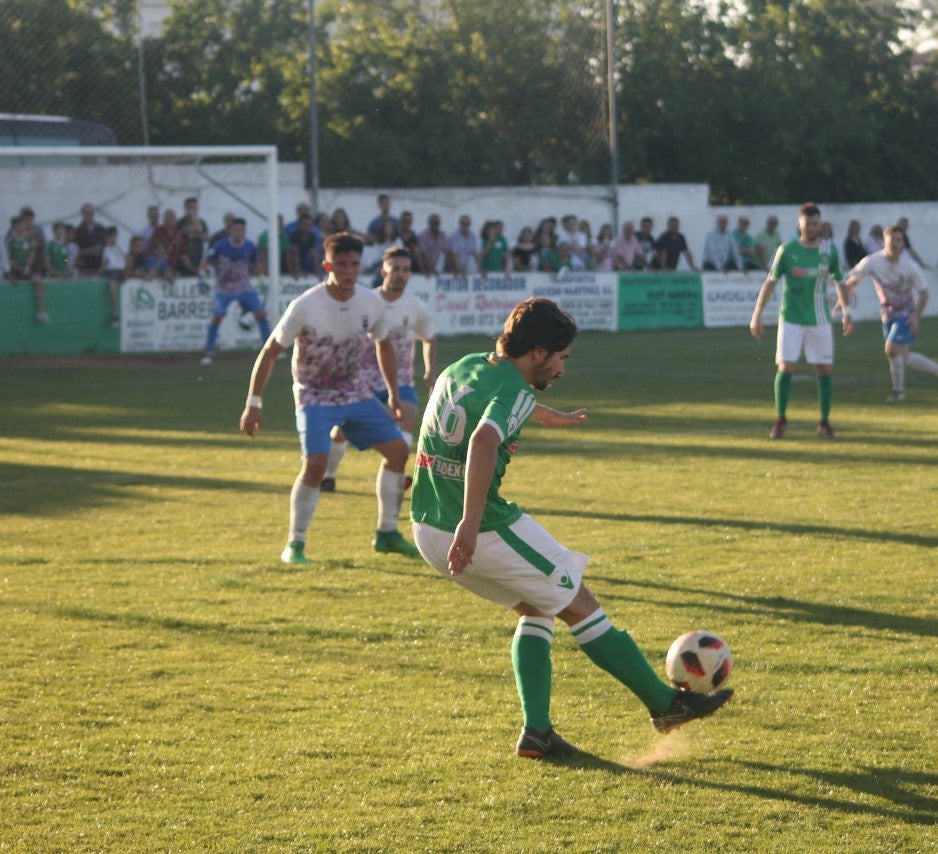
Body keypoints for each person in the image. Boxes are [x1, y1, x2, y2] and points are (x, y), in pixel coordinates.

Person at [410, 297, 734, 759]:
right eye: (560, 357)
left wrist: (547, 415)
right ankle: (667, 706)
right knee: (579, 601)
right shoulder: (516, 391)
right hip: (476, 529)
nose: (562, 368)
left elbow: (485, 409)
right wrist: (468, 524)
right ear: (538, 351)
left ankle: (537, 734)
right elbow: (483, 438)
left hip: (426, 526)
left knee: (538, 609)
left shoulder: (464, 366)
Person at [239, 231, 421, 562]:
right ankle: (295, 544)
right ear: (327, 265)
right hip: (314, 396)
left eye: (354, 263)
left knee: (397, 451)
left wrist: (393, 394)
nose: (349, 270)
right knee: (316, 465)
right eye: (341, 264)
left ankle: (387, 533)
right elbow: (270, 351)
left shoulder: (370, 302)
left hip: (354, 392)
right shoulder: (305, 306)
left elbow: (382, 345)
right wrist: (254, 403)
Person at [321, 246, 437, 491]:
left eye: (406, 270)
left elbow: (428, 338)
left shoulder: (416, 307)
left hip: (401, 381)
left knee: (407, 419)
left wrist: (429, 370)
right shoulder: (366, 303)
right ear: (384, 271)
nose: (401, 274)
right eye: (395, 269)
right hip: (362, 380)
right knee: (339, 433)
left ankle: (397, 476)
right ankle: (328, 475)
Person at [748, 202, 847, 440]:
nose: (812, 227)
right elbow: (770, 283)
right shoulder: (787, 250)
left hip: (819, 318)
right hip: (791, 317)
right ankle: (780, 419)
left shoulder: (829, 251)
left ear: (820, 225)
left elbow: (839, 281)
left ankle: (824, 421)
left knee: (824, 369)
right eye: (807, 224)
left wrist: (847, 312)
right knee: (786, 366)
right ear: (799, 224)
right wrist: (757, 314)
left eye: (815, 224)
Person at [843, 226, 938, 403]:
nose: (896, 244)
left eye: (900, 240)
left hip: (906, 314)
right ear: (884, 242)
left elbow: (924, 292)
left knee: (891, 349)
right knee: (901, 356)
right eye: (892, 240)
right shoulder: (872, 261)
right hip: (888, 315)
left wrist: (916, 315)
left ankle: (898, 392)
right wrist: (843, 300)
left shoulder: (909, 266)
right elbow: (852, 281)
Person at [198, 217, 269, 365]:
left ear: (245, 231)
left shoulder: (249, 246)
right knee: (217, 316)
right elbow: (207, 259)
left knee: (260, 313)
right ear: (231, 231)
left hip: (244, 287)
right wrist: (203, 273)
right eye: (236, 229)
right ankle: (209, 351)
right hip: (224, 288)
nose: (239, 232)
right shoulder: (221, 245)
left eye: (241, 229)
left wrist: (262, 277)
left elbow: (256, 262)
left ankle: (269, 349)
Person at [3, 214, 49, 324]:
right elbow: (7, 257)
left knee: (39, 281)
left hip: (26, 269)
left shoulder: (29, 238)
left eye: (23, 225)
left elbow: (33, 253)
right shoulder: (10, 240)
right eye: (19, 225)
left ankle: (41, 311)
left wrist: (28, 266)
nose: (22, 227)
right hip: (14, 270)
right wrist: (18, 267)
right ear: (14, 227)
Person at [285, 203, 323, 277]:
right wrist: (299, 270)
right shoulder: (295, 235)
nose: (307, 227)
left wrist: (317, 270)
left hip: (305, 257)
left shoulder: (311, 236)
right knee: (291, 254)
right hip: (295, 259)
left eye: (309, 225)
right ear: (301, 225)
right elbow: (295, 254)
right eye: (305, 224)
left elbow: (313, 253)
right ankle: (293, 272)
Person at [101, 226, 127, 327]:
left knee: (112, 289)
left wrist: (126, 274)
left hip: (118, 271)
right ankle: (115, 315)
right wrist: (100, 270)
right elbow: (105, 262)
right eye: (109, 237)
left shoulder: (121, 246)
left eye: (113, 237)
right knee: (110, 290)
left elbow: (128, 259)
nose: (111, 239)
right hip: (109, 271)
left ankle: (115, 315)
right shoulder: (106, 249)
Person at [72, 203, 106, 277]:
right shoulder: (78, 230)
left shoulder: (100, 229)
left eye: (91, 213)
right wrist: (88, 251)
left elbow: (104, 245)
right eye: (86, 213)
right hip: (83, 266)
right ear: (82, 214)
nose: (89, 215)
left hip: (98, 266)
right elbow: (73, 251)